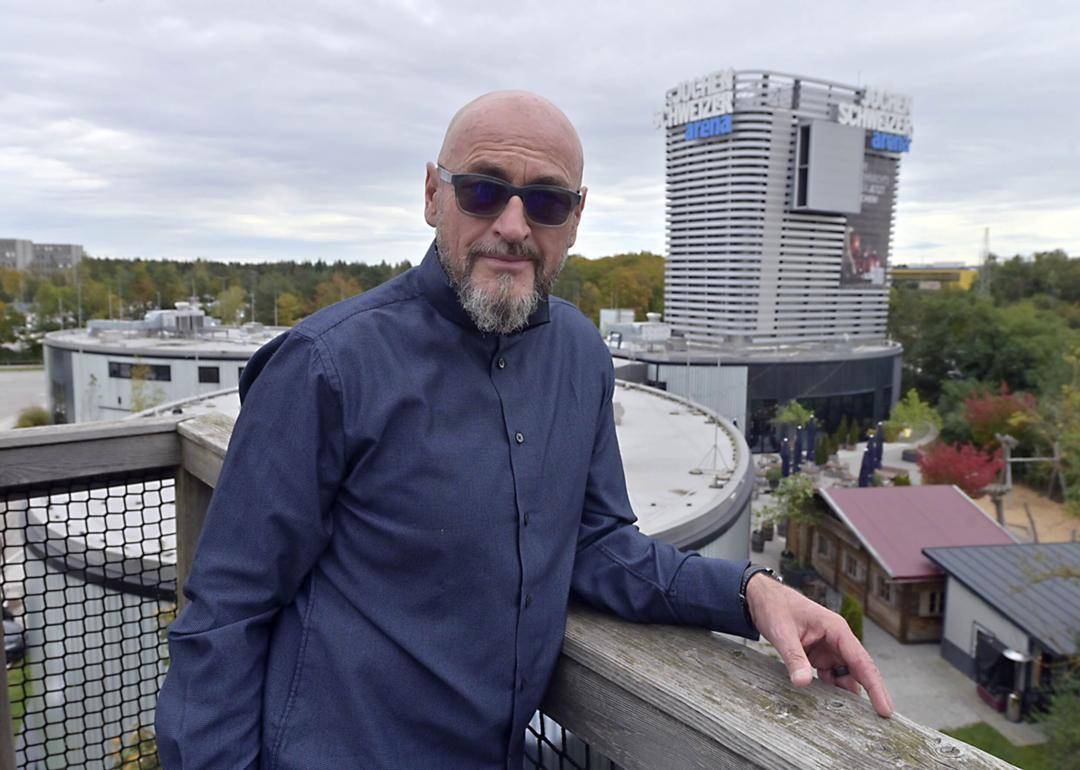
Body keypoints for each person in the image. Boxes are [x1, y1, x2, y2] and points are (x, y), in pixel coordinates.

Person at [156, 90, 892, 770]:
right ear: (430, 195)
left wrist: (752, 594)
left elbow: (599, 547)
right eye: (482, 189)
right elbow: (226, 617)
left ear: (575, 218)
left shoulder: (580, 356)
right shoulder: (324, 366)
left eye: (544, 201)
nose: (512, 226)